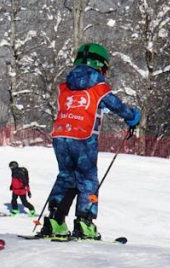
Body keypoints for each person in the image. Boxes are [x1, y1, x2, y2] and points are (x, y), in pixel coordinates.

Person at [38, 43, 140, 240]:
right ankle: (85, 222)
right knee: (87, 179)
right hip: (84, 138)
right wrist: (132, 117)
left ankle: (55, 221)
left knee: (66, 176)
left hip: (60, 136)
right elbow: (117, 106)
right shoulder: (99, 87)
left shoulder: (64, 86)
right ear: (100, 66)